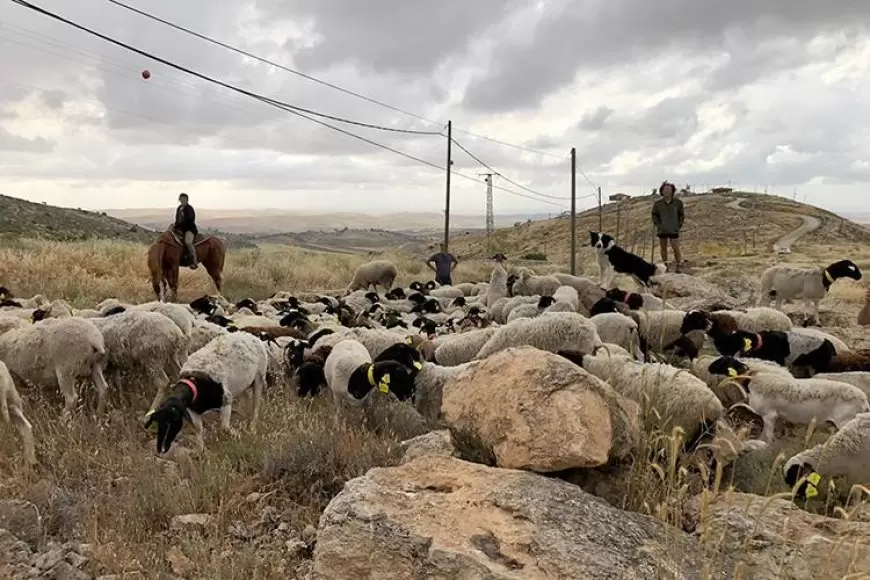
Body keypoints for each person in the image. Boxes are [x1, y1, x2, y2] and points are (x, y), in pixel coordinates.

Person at [651, 181, 684, 273]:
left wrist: (678, 225)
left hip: (674, 229)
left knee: (675, 248)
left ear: (672, 191)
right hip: (662, 230)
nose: (667, 191)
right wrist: (658, 225)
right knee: (663, 248)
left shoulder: (678, 203)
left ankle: (678, 266)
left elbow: (681, 215)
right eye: (665, 189)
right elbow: (654, 216)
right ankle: (666, 266)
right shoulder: (658, 204)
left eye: (669, 189)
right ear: (662, 191)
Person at [174, 193, 199, 269]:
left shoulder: (189, 209)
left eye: (184, 199)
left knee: (188, 242)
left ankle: (194, 261)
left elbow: (190, 220)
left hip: (189, 229)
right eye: (181, 199)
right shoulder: (179, 208)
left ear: (187, 200)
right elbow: (177, 219)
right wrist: (175, 225)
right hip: (179, 229)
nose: (182, 201)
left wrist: (180, 225)